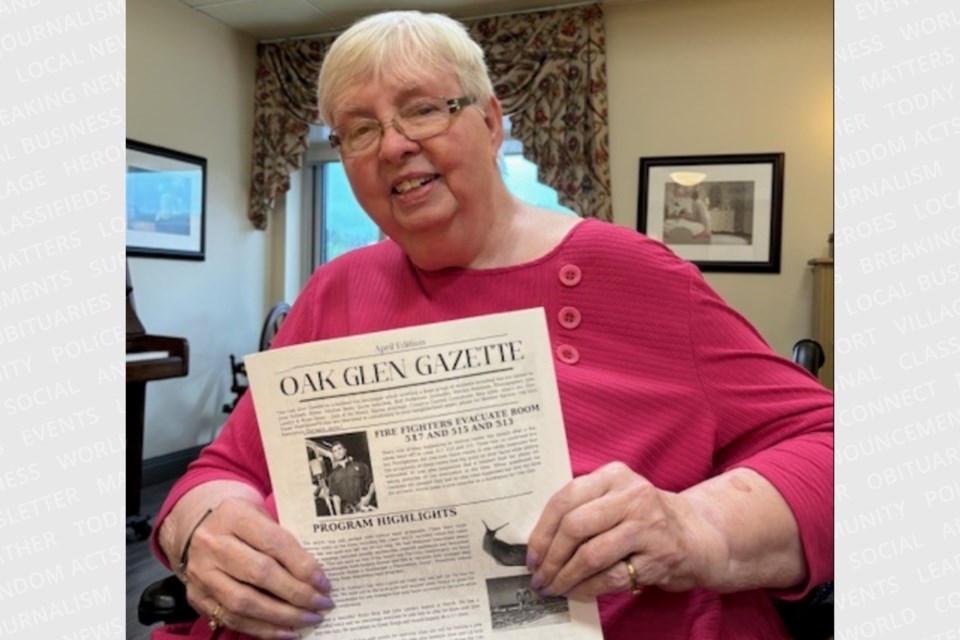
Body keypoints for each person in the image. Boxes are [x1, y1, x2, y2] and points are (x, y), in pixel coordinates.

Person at [150, 10, 832, 640]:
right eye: (358, 129)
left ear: (492, 121)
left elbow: (831, 448)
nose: (393, 145)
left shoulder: (635, 274)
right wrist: (205, 526)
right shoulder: (335, 288)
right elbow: (225, 467)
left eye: (422, 109)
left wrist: (700, 525)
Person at [325, 441, 375, 514]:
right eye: (335, 451)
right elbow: (336, 497)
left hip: (364, 508)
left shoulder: (360, 465)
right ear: (333, 455)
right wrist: (339, 516)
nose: (338, 452)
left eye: (339, 449)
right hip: (348, 511)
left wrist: (368, 497)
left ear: (345, 450)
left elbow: (372, 483)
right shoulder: (332, 475)